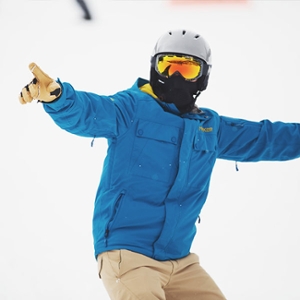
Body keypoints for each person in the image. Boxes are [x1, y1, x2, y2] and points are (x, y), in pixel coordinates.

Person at [19, 29, 300, 300]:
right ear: (154, 68)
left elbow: (266, 138)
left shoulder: (210, 127)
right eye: (168, 66)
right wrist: (58, 97)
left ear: (203, 77)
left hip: (181, 262)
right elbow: (89, 111)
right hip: (128, 256)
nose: (175, 76)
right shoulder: (130, 109)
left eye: (187, 69)